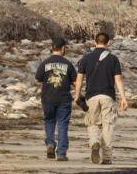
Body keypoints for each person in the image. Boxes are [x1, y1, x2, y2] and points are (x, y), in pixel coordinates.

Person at [73, 32, 128, 165]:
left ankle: (95, 142)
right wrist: (123, 97)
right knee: (108, 126)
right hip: (108, 96)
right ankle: (107, 157)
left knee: (93, 123)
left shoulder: (86, 58)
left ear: (94, 42)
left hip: (91, 96)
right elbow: (118, 79)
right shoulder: (113, 59)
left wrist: (77, 95)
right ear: (108, 43)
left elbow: (79, 79)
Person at [34, 37, 77, 161]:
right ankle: (62, 153)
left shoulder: (45, 63)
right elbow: (75, 81)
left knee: (49, 121)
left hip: (48, 97)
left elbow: (37, 79)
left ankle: (50, 143)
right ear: (63, 48)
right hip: (63, 98)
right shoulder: (68, 64)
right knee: (63, 124)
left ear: (52, 48)